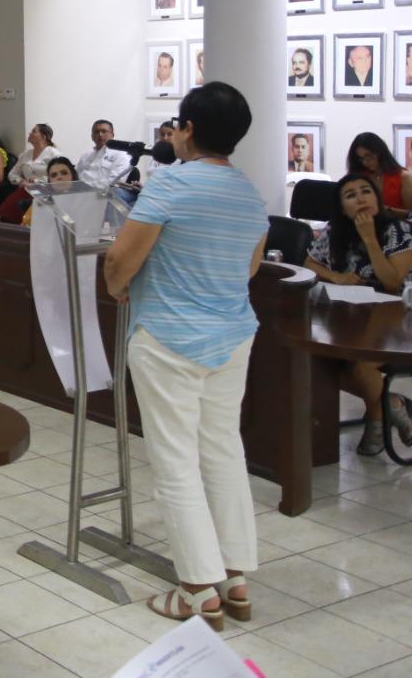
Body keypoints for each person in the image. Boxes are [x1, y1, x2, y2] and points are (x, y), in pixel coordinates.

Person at [104, 82, 268, 631]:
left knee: (175, 461)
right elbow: (247, 269)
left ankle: (197, 590)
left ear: (188, 130)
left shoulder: (170, 183)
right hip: (232, 337)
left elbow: (120, 262)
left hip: (169, 338)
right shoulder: (249, 191)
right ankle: (235, 578)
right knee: (222, 451)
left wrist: (121, 285)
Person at [303, 173, 412, 456]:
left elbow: (392, 282)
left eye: (366, 192)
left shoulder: (400, 231)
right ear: (342, 207)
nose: (360, 198)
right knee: (318, 362)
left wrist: (370, 239)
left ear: (377, 198)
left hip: (401, 320)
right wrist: (336, 277)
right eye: (350, 195)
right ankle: (392, 404)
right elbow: (310, 263)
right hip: (354, 317)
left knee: (361, 367)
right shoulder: (335, 231)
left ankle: (378, 417)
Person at [346, 132, 412, 219]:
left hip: (394, 227)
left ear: (380, 152)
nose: (365, 162)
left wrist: (384, 210)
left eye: (368, 156)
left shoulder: (403, 177)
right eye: (361, 159)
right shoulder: (359, 177)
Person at [21, 157, 78, 228]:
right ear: (49, 181)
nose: (59, 177)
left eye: (64, 173)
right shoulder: (42, 201)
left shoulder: (83, 201)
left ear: (73, 176)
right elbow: (25, 228)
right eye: (54, 175)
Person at [76, 120, 130, 191]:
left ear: (112, 135)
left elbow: (114, 183)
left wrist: (85, 187)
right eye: (96, 132)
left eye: (104, 131)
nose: (100, 134)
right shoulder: (85, 155)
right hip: (79, 194)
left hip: (103, 195)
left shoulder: (121, 155)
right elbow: (76, 176)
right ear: (92, 136)